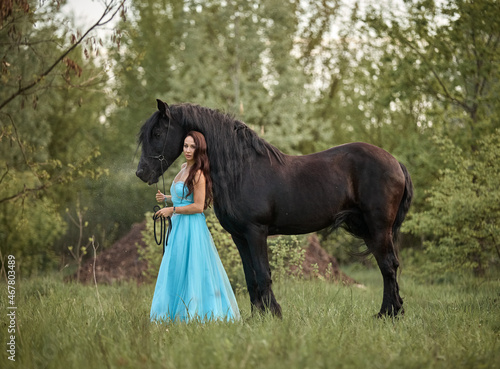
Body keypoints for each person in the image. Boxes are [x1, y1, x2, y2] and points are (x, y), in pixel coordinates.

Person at [150, 131, 240, 323]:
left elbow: (198, 206)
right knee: (175, 266)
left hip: (192, 227)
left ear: (199, 149)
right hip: (179, 225)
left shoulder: (198, 173)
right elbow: (184, 197)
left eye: (192, 147)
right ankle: (172, 313)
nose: (188, 150)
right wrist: (166, 198)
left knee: (193, 267)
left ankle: (195, 312)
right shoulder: (183, 168)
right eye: (185, 146)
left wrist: (171, 209)